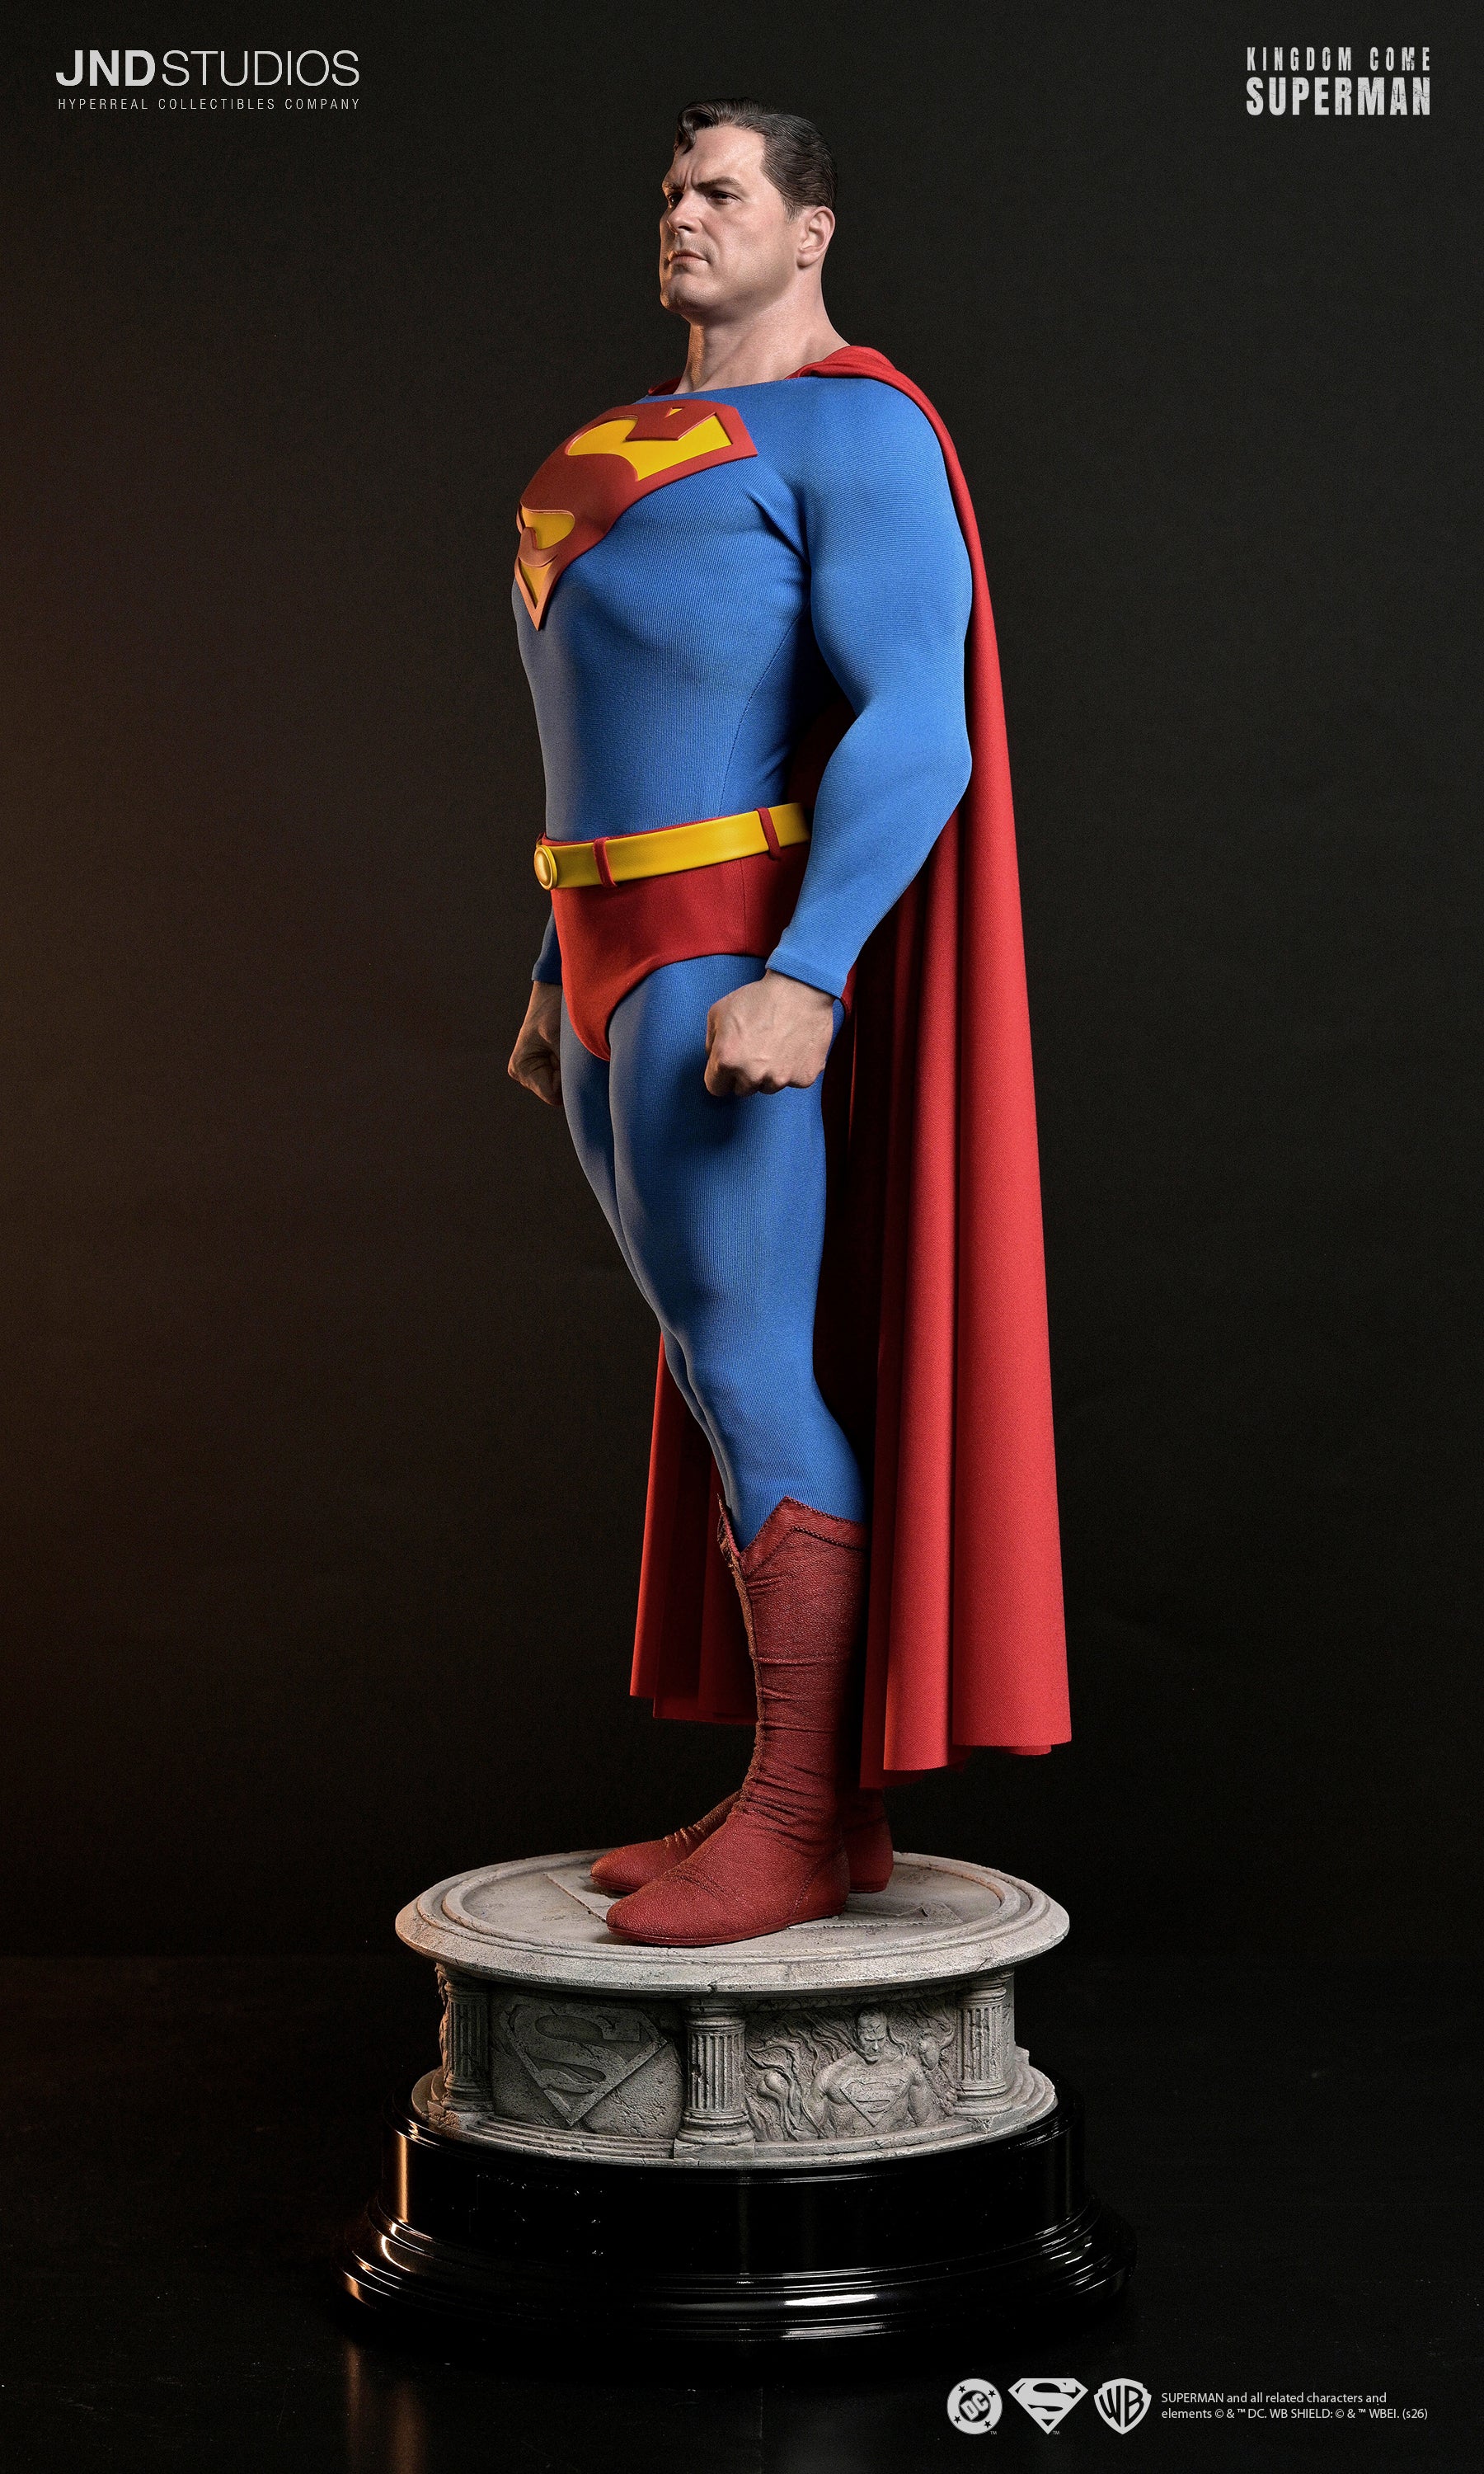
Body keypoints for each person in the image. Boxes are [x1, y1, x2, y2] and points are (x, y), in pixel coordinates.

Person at [507, 99, 1069, 1950]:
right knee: (705, 1362)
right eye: (671, 189)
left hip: (716, 957)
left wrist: (811, 971)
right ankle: (810, 1796)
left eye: (724, 189)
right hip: (600, 950)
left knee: (750, 1365)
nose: (685, 213)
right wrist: (547, 966)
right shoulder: (632, 432)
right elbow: (599, 734)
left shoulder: (857, 427)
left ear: (810, 228)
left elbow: (919, 724)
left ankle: (806, 1816)